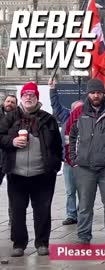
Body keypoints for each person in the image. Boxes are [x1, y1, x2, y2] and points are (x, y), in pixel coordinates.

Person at [65, 78, 105, 245]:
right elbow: (68, 137)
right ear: (88, 94)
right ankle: (83, 237)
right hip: (84, 167)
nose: (96, 95)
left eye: (99, 92)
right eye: (93, 92)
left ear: (104, 93)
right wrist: (73, 160)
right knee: (85, 206)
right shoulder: (78, 112)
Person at [0, 82, 62, 257]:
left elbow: (57, 145)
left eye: (32, 94)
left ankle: (42, 243)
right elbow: (0, 136)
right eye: (26, 94)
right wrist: (11, 142)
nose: (28, 97)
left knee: (42, 210)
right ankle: (18, 244)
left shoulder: (48, 119)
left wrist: (54, 165)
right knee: (18, 211)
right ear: (21, 97)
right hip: (17, 174)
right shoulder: (10, 117)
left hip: (42, 174)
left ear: (37, 98)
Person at [48, 79, 83, 226]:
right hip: (69, 161)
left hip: (84, 162)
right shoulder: (66, 116)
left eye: (82, 108)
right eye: (77, 109)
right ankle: (71, 214)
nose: (79, 111)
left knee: (83, 191)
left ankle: (83, 213)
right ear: (71, 109)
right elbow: (55, 106)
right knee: (70, 190)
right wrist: (52, 89)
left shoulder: (90, 119)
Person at [0, 94, 17, 226]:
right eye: (8, 101)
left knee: (14, 192)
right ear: (3, 102)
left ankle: (13, 218)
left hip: (12, 158)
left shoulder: (18, 118)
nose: (9, 103)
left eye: (12, 102)